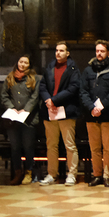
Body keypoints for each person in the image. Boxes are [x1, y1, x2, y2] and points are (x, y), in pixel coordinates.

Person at [38, 41, 82, 186]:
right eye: (57, 50)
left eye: (61, 50)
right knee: (51, 145)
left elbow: (73, 88)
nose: (58, 53)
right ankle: (52, 174)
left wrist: (54, 100)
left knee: (69, 145)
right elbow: (43, 85)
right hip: (50, 110)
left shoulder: (73, 68)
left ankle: (72, 174)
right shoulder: (50, 66)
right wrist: (48, 100)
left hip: (66, 110)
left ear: (68, 53)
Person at [80, 41, 109, 187]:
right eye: (97, 51)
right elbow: (83, 91)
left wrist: (101, 107)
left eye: (102, 51)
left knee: (107, 147)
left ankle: (107, 175)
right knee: (94, 147)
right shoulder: (88, 70)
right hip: (91, 114)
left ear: (108, 52)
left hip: (108, 114)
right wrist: (91, 107)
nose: (99, 54)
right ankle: (97, 175)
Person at [1, 55, 39, 186]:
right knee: (15, 146)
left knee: (28, 146)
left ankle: (29, 171)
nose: (22, 64)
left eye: (25, 63)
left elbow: (35, 97)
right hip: (13, 119)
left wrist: (26, 110)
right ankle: (17, 172)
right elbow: (4, 96)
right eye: (20, 62)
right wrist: (11, 108)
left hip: (29, 119)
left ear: (29, 65)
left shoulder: (34, 79)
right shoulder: (10, 78)